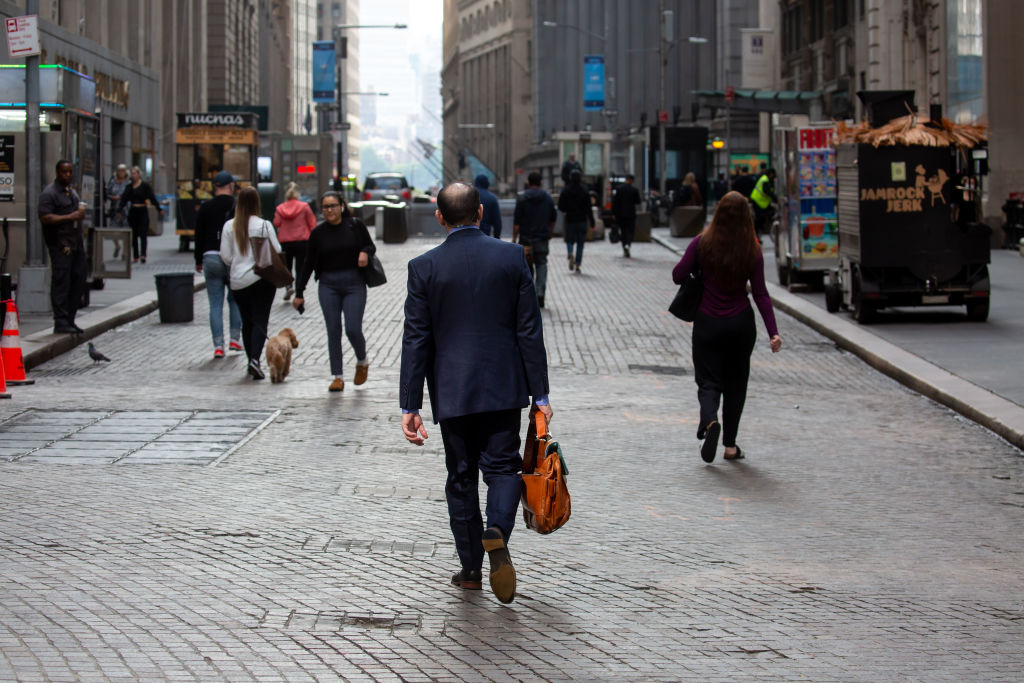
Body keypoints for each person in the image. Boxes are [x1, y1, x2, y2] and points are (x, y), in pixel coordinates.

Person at [399, 181, 551, 604]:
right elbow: (529, 331)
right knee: (503, 469)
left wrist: (410, 403)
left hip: (452, 390)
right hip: (504, 386)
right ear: (481, 213)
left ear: (439, 218)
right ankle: (497, 531)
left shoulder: (423, 267)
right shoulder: (511, 257)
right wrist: (540, 394)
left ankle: (470, 570)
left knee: (460, 476)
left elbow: (416, 339)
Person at [671, 191, 782, 463]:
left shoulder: (702, 243)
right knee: (736, 384)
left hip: (708, 323)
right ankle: (730, 446)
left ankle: (710, 422)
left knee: (708, 381)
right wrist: (773, 332)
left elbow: (677, 275)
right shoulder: (752, 249)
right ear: (747, 217)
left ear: (718, 213)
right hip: (741, 324)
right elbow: (760, 293)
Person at [292, 191, 376, 392]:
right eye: (326, 207)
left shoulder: (354, 226)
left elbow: (370, 245)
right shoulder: (318, 233)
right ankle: (337, 376)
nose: (329, 210)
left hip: (354, 282)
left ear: (342, 206)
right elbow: (308, 263)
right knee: (333, 330)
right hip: (328, 284)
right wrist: (299, 291)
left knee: (353, 328)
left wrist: (364, 252)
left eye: (333, 206)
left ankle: (362, 360)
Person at [219, 186, 282, 380]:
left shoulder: (230, 226)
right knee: (260, 320)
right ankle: (255, 360)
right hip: (261, 279)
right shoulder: (264, 225)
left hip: (238, 281)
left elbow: (226, 256)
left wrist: (239, 263)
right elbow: (277, 249)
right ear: (257, 203)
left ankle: (250, 360)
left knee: (247, 322)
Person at [194, 170, 242, 359]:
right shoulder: (236, 205)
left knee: (215, 303)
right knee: (234, 299)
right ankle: (235, 339)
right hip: (233, 257)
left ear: (215, 187)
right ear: (230, 185)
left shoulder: (205, 207)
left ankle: (218, 345)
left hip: (211, 256)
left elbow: (198, 235)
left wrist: (198, 259)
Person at [38, 160, 88, 334]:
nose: (67, 175)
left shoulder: (70, 192)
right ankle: (60, 320)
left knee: (79, 279)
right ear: (57, 172)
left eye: (70, 172)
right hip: (60, 245)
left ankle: (70, 318)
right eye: (64, 172)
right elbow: (45, 218)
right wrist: (71, 216)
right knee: (61, 281)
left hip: (75, 244)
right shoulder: (49, 194)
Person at [513, 172, 556, 308]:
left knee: (526, 268)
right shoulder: (548, 198)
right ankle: (540, 293)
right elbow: (553, 218)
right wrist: (550, 232)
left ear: (528, 182)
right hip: (542, 238)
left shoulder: (522, 198)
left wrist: (515, 238)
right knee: (541, 264)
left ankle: (528, 296)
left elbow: (516, 223)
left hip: (525, 239)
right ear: (541, 182)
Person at [273, 182, 317, 301]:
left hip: (285, 242)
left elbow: (276, 223)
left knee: (287, 266)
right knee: (300, 267)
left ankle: (288, 287)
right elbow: (312, 223)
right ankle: (299, 289)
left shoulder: (280, 208)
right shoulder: (304, 206)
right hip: (302, 241)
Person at [118, 165, 163, 263]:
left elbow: (152, 198)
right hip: (133, 211)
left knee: (143, 234)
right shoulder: (129, 187)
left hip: (142, 211)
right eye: (132, 173)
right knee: (134, 235)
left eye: (135, 173)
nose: (133, 175)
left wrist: (159, 209)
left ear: (139, 174)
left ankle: (143, 254)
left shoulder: (145, 186)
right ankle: (135, 255)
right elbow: (124, 199)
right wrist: (119, 210)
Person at [557, 169, 594, 273]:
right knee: (580, 243)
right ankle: (577, 263)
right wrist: (592, 222)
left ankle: (570, 252)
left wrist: (565, 210)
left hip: (570, 219)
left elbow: (560, 206)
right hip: (582, 220)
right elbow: (588, 208)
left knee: (569, 239)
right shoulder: (584, 190)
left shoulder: (566, 190)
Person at [612, 174, 641, 258]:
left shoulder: (619, 189)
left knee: (623, 231)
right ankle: (628, 244)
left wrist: (613, 213)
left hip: (620, 214)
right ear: (632, 180)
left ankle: (624, 245)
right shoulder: (634, 190)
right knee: (631, 231)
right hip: (631, 214)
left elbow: (615, 202)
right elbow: (638, 201)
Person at [750, 167, 777, 236]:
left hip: (761, 202)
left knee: (763, 216)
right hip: (757, 200)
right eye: (773, 175)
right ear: (771, 174)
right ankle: (756, 234)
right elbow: (767, 191)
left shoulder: (766, 179)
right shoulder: (765, 180)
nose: (773, 177)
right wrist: (775, 199)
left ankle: (760, 231)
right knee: (759, 217)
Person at [473, 174, 502, 239]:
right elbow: (497, 222)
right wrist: (497, 237)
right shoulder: (492, 198)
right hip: (485, 234)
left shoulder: (468, 196)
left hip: (468, 234)